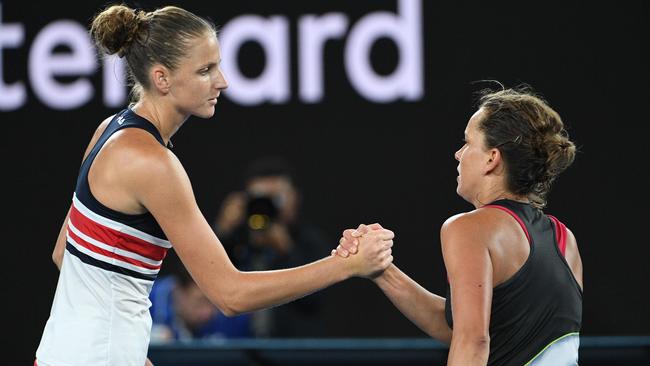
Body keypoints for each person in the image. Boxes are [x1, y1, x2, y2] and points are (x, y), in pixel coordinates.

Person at [35, 5, 394, 366]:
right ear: (162, 79)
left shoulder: (109, 130)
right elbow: (230, 294)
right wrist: (345, 265)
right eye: (205, 70)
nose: (222, 81)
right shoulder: (153, 164)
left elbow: (64, 252)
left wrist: (124, 345)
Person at [337, 86, 583, 365]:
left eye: (467, 143)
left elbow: (473, 341)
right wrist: (382, 271)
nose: (458, 154)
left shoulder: (468, 228)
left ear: (492, 158)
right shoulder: (565, 238)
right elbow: (468, 330)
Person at [214, 156, 331, 337]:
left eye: (277, 198)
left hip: (293, 348)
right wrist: (222, 230)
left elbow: (316, 301)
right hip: (236, 348)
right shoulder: (234, 241)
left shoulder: (310, 241)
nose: (267, 205)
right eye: (261, 198)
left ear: (294, 197)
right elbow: (203, 285)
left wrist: (287, 251)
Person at [149, 252, 252, 342]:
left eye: (214, 303)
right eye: (200, 302)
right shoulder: (145, 302)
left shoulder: (234, 317)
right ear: (178, 293)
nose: (208, 312)